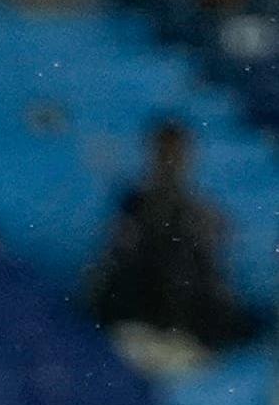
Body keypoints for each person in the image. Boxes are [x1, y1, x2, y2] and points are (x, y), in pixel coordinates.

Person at [88, 117, 262, 375]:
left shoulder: (201, 213)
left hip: (189, 332)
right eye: (164, 152)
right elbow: (114, 269)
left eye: (177, 152)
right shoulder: (134, 206)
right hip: (141, 321)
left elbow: (213, 275)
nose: (170, 160)